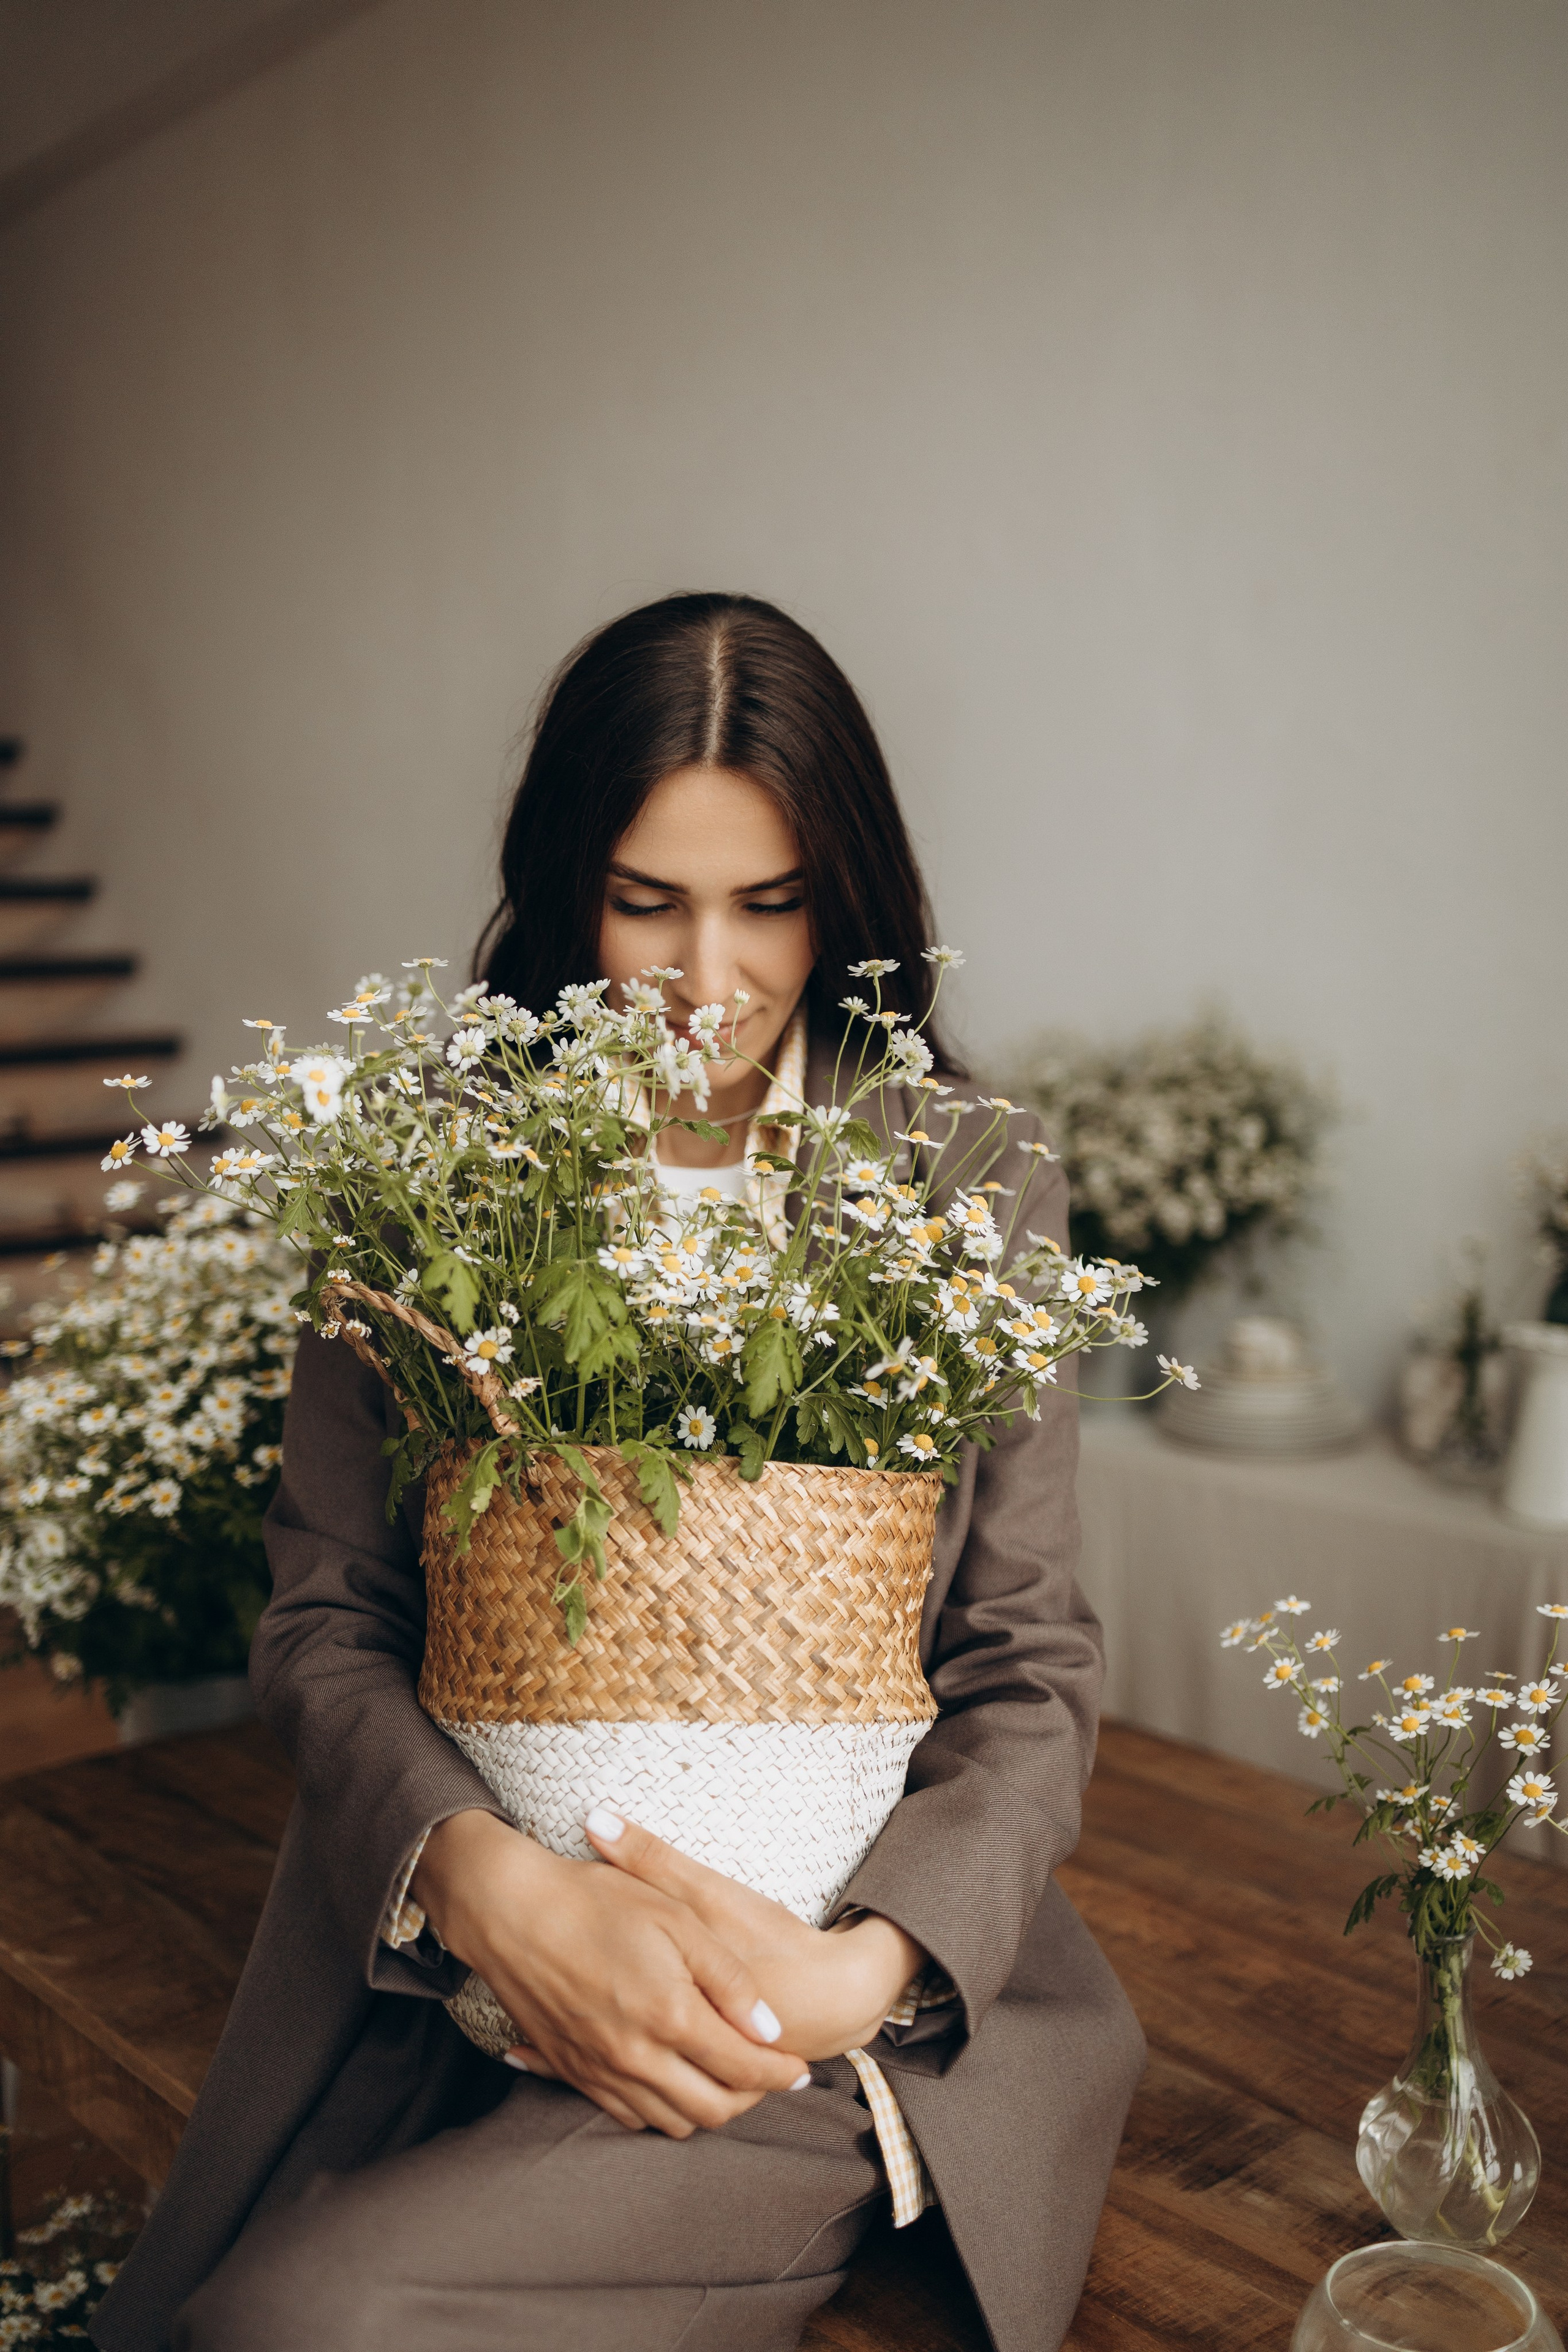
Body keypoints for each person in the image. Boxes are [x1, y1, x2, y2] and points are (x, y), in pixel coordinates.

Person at [92, 594, 1144, 2352]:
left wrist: (852, 1975)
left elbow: (1030, 1666)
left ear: (852, 894)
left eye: (772, 903)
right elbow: (325, 1615)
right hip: (445, 1961)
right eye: (645, 902)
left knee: (312, 2321)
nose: (705, 976)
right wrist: (489, 1891)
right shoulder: (435, 1162)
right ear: (562, 878)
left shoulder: (966, 1174)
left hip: (823, 2001)